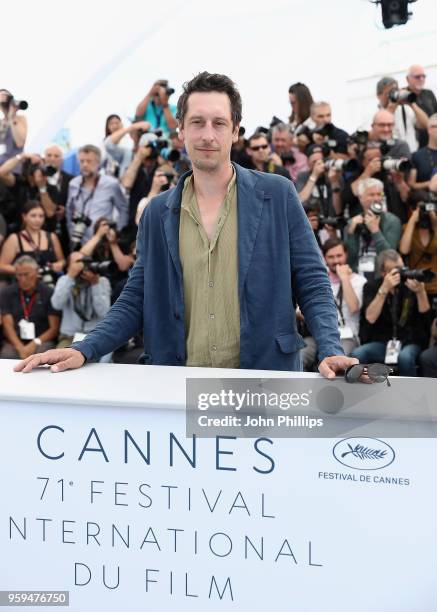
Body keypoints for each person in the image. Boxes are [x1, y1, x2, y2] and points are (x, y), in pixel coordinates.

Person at [15, 71, 356, 377]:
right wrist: (83, 348)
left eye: (219, 123)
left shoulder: (277, 194)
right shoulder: (156, 212)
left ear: (236, 130)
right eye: (197, 122)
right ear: (180, 130)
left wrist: (329, 348)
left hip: (262, 381)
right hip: (177, 388)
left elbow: (312, 281)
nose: (208, 134)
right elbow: (136, 297)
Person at [351, 250, 432, 376]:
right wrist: (384, 289)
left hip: (409, 340)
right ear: (383, 273)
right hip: (383, 342)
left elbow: (425, 317)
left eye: (402, 268)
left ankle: (410, 395)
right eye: (395, 271)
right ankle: (364, 392)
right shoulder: (372, 286)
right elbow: (370, 318)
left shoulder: (409, 284)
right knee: (358, 354)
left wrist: (420, 292)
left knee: (405, 358)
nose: (401, 273)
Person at [301, 238, 367, 370]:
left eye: (339, 256)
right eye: (331, 257)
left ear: (346, 255)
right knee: (300, 356)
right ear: (324, 258)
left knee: (338, 361)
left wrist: (344, 279)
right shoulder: (318, 281)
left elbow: (354, 307)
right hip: (317, 334)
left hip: (348, 336)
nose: (336, 261)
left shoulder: (359, 280)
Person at [50, 252, 112, 362]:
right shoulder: (65, 280)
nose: (82, 266)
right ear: (69, 266)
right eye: (78, 263)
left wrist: (95, 285)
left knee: (99, 365)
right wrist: (70, 277)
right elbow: (56, 304)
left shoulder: (102, 281)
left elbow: (104, 312)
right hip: (70, 337)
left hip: (95, 337)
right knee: (60, 362)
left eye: (85, 262)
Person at [66, 145, 128, 247]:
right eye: (81, 161)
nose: (85, 165)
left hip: (103, 243)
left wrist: (118, 232)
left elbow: (123, 209)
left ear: (98, 163)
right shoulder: (73, 184)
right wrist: (71, 232)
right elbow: (69, 211)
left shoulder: (111, 184)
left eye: (89, 161)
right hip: (79, 241)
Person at [0, 255, 60, 359]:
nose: (23, 279)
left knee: (42, 355)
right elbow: (7, 326)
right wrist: (20, 347)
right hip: (15, 341)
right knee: (7, 355)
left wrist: (34, 343)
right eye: (19, 275)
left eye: (26, 274)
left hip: (41, 340)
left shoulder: (49, 293)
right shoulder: (7, 293)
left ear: (36, 272)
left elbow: (54, 328)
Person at [345, 177, 401, 274]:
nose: (376, 198)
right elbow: (349, 258)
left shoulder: (392, 221)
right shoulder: (352, 222)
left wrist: (375, 230)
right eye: (371, 195)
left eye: (379, 194)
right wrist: (351, 233)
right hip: (357, 275)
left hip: (381, 276)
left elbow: (390, 257)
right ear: (360, 198)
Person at [0, 200, 65, 278]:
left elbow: (62, 260)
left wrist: (59, 264)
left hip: (49, 280)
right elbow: (2, 266)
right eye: (33, 216)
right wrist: (23, 271)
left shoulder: (52, 237)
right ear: (24, 217)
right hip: (24, 282)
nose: (38, 220)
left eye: (41, 216)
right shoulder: (14, 239)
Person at [406, 65, 437, 148]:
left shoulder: (428, 93)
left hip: (432, 141)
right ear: (408, 79)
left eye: (423, 76)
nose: (421, 79)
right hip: (415, 143)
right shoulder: (404, 97)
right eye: (417, 77)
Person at [409, 114, 437, 192]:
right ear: (429, 129)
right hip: (427, 199)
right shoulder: (417, 156)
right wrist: (430, 183)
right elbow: (412, 185)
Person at [0, 89, 27, 166]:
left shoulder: (20, 119)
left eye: (5, 95)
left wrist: (11, 118)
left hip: (15, 163)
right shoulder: (1, 122)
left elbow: (20, 143)